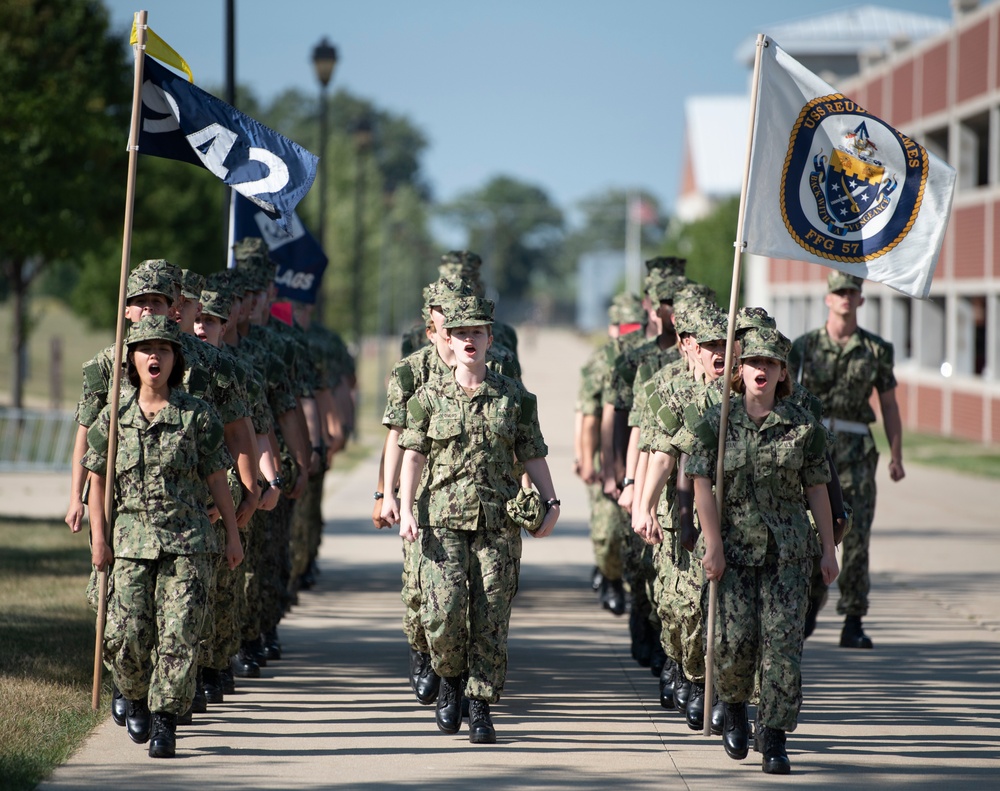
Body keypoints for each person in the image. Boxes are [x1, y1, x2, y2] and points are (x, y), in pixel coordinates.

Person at [672, 327, 839, 774]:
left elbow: (818, 489)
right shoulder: (718, 421)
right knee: (733, 642)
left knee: (782, 647)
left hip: (788, 553)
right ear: (740, 370)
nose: (760, 370)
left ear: (783, 372)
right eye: (753, 362)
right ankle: (732, 707)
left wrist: (828, 549)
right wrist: (713, 544)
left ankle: (775, 735)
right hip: (735, 552)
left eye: (770, 363)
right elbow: (701, 484)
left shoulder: (803, 427)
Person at [397, 295, 559, 744]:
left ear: (490, 339)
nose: (469, 340)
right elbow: (412, 455)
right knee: (445, 614)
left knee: (491, 619)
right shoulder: (427, 398)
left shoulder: (515, 399)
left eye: (477, 332)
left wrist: (552, 501)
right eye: (461, 332)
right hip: (441, 523)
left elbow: (532, 453)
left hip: (496, 525)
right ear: (446, 339)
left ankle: (482, 705)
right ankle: (450, 680)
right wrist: (406, 507)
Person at [84, 315, 243, 758]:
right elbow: (96, 481)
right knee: (129, 634)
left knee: (179, 634)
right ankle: (133, 694)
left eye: (165, 349)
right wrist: (100, 537)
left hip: (188, 543)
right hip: (130, 543)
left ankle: (165, 720)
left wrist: (232, 534)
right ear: (133, 359)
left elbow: (216, 480)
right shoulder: (113, 416)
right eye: (146, 349)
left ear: (176, 359)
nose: (155, 356)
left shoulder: (197, 415)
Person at [788, 272, 904, 649]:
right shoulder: (803, 348)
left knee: (855, 534)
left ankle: (853, 619)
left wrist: (896, 454)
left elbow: (888, 404)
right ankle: (809, 606)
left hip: (856, 452)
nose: (845, 298)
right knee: (812, 530)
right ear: (827, 298)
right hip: (814, 451)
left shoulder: (875, 349)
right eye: (838, 292)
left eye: (851, 292)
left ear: (861, 299)